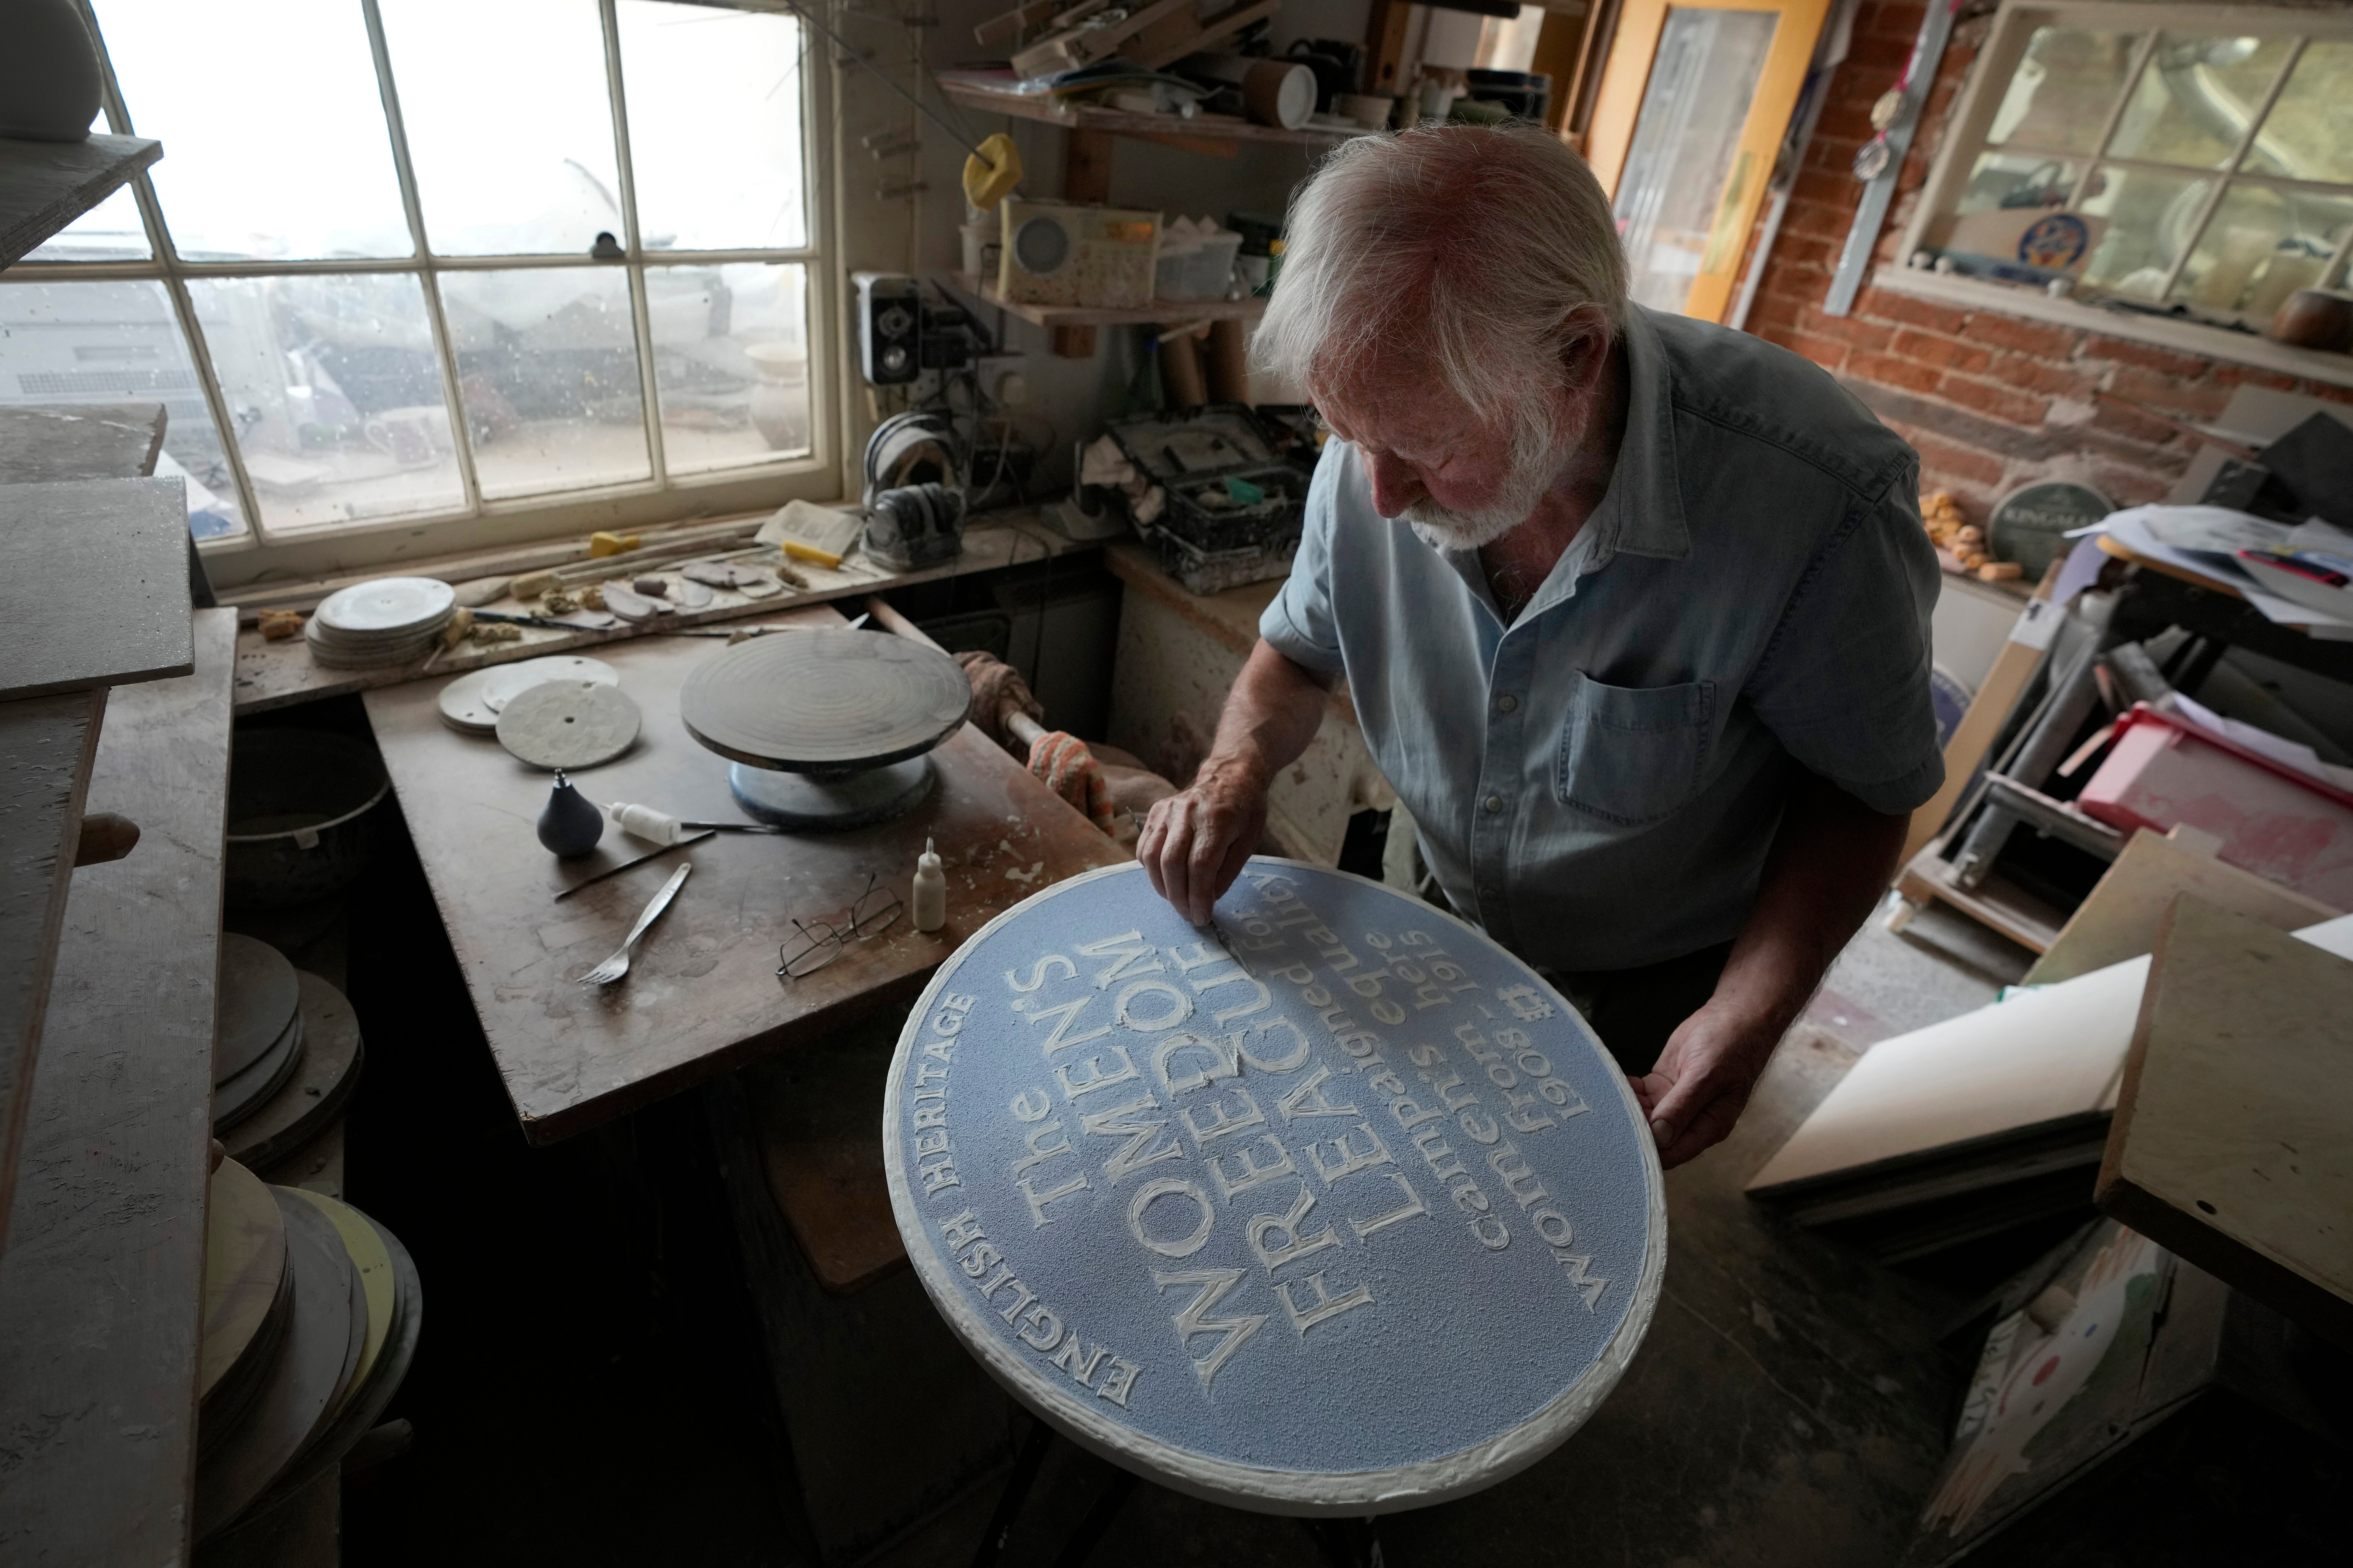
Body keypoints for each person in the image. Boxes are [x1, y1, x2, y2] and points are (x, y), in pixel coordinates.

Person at [1137, 123, 1944, 1169]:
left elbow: (1862, 794)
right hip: (1427, 904)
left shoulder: (1819, 500)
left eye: (1426, 449)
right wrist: (1234, 772)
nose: (1381, 495)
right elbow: (1295, 658)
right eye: (1347, 433)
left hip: (1648, 978)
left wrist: (1749, 1012)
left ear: (1574, 358)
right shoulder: (1383, 433)